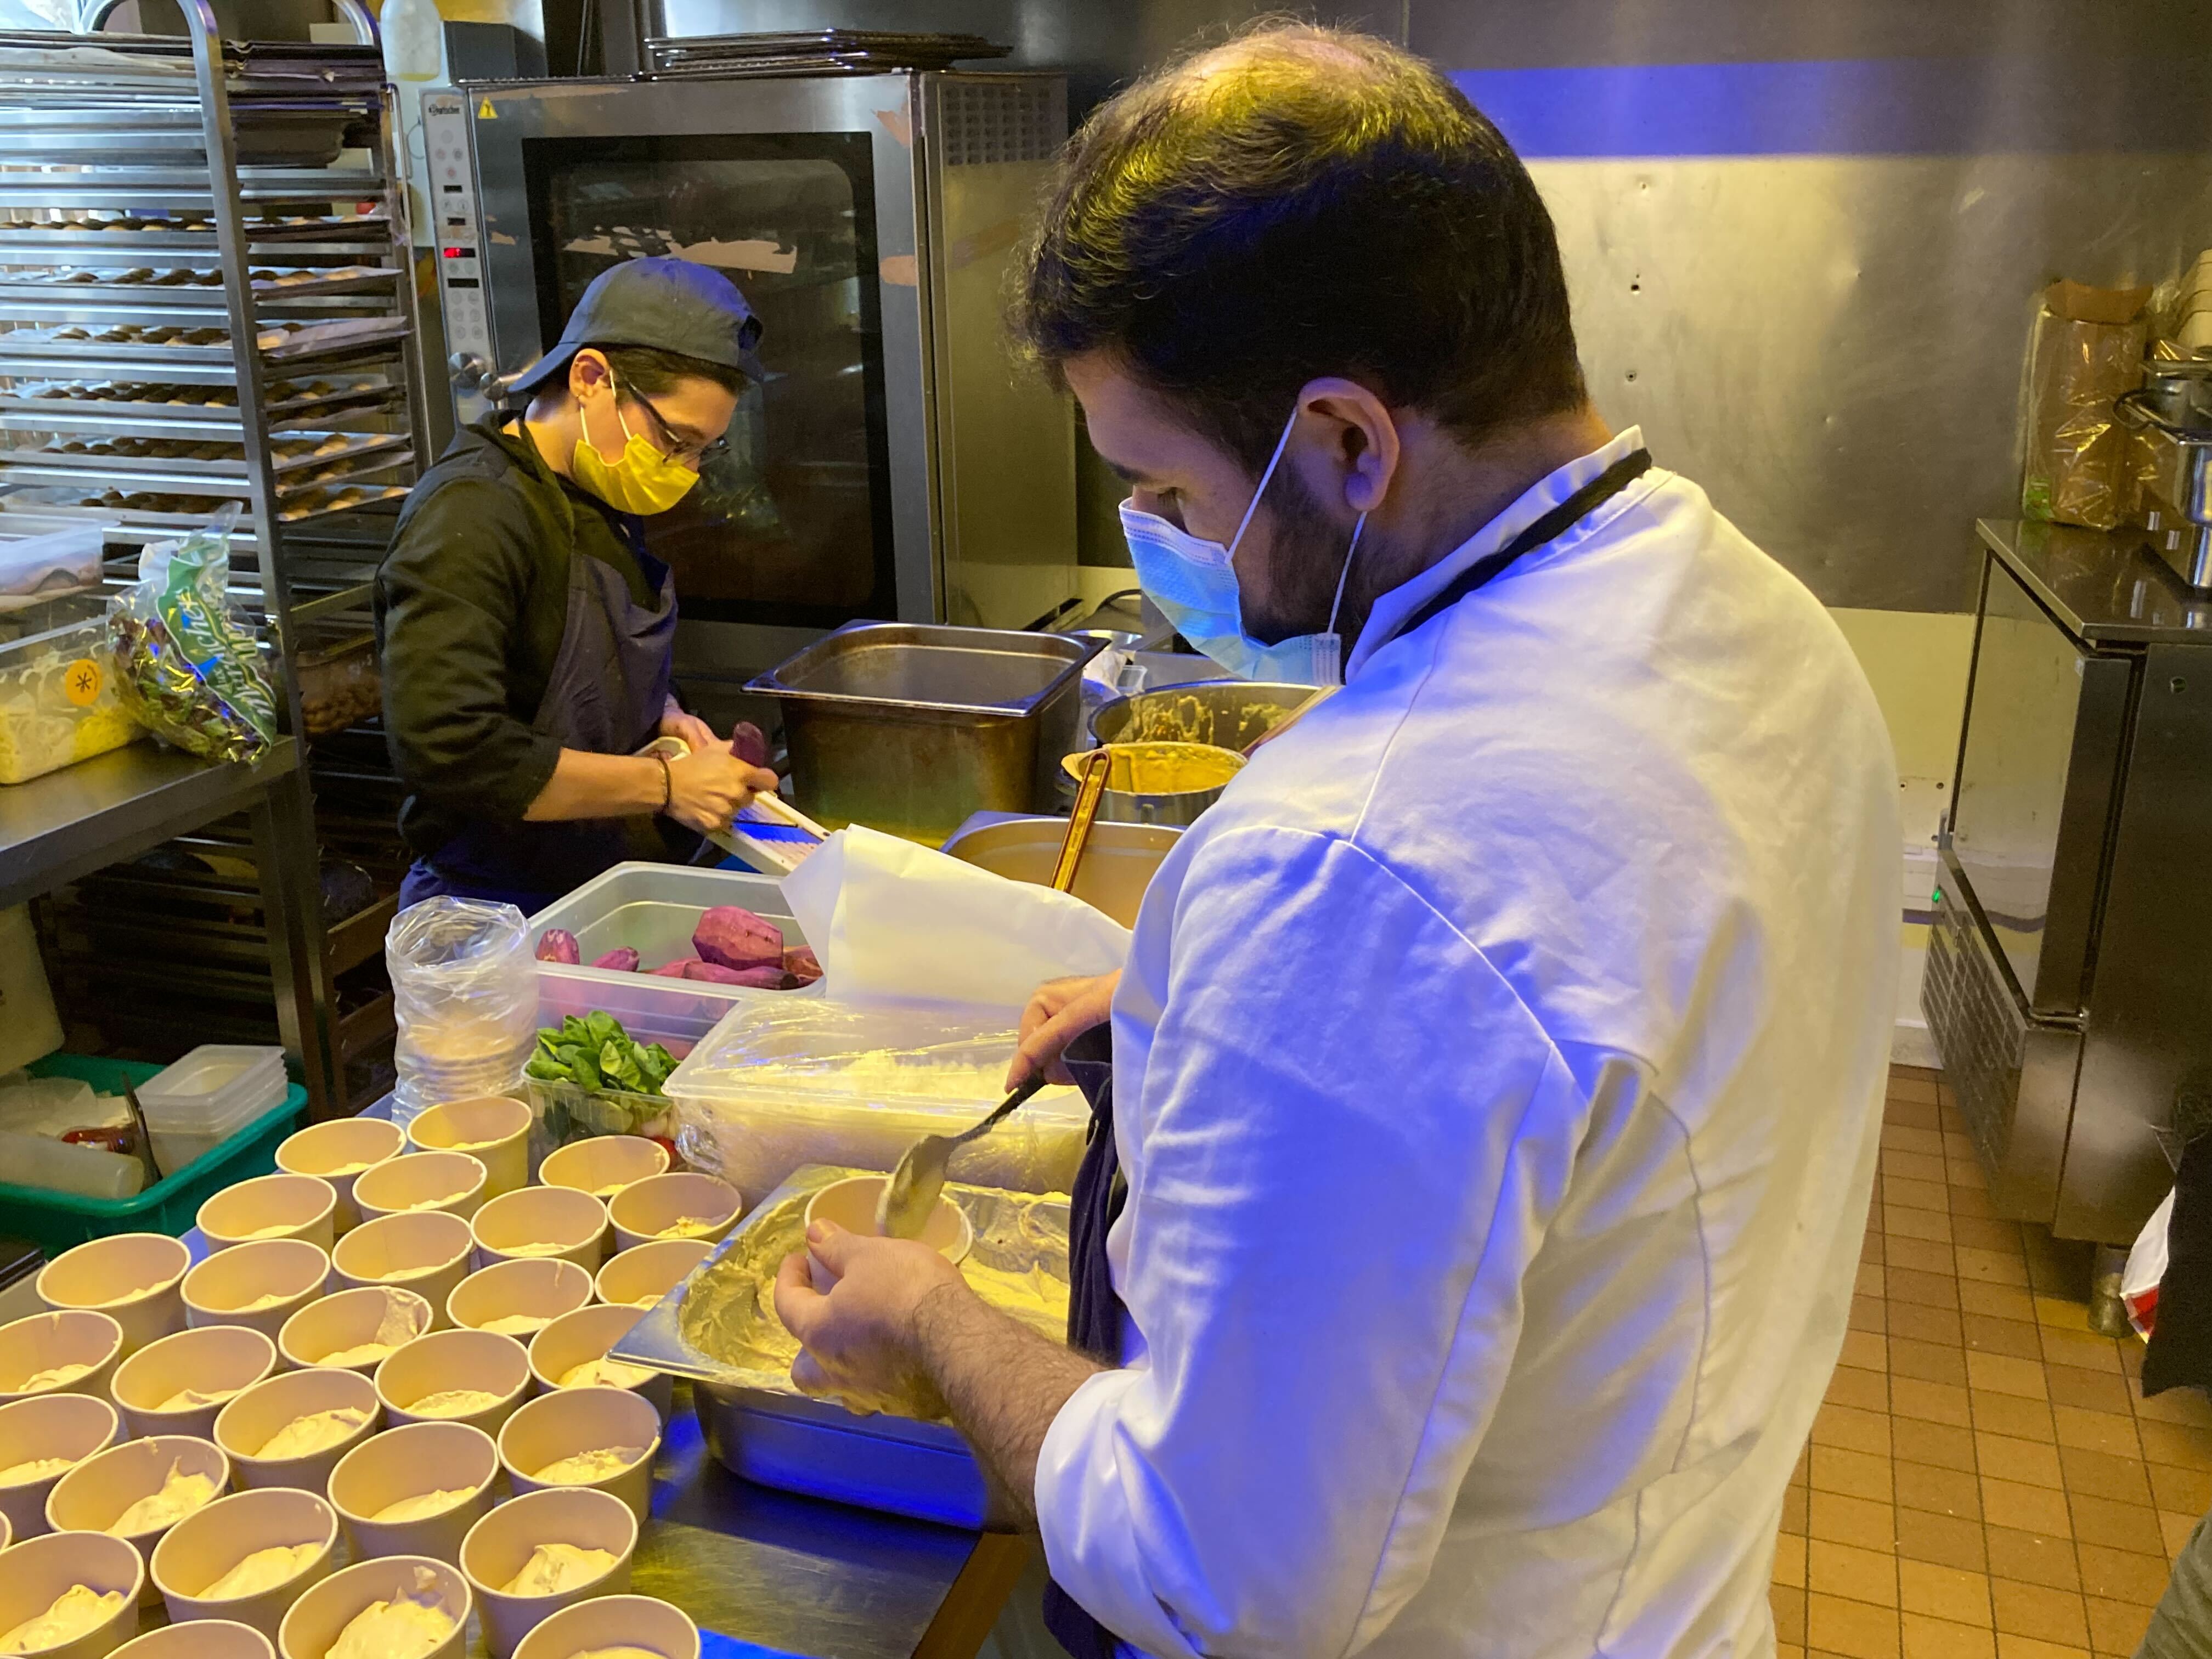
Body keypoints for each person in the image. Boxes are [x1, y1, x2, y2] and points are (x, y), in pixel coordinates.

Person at [772, 24, 1901, 1659]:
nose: (1153, 541)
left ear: (1351, 443)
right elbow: (1568, 1051)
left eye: (1159, 487)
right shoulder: (1759, 620)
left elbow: (1215, 1579)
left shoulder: (1357, 870)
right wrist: (1189, 1020)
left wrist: (935, 1326)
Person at [376, 256, 778, 911]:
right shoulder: (472, 515)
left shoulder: (598, 485)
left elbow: (578, 657)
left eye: (703, 449)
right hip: (496, 908)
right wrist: (665, 786)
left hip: (601, 883)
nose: (686, 469)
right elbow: (451, 751)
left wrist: (665, 716)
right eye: (675, 440)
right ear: (591, 378)